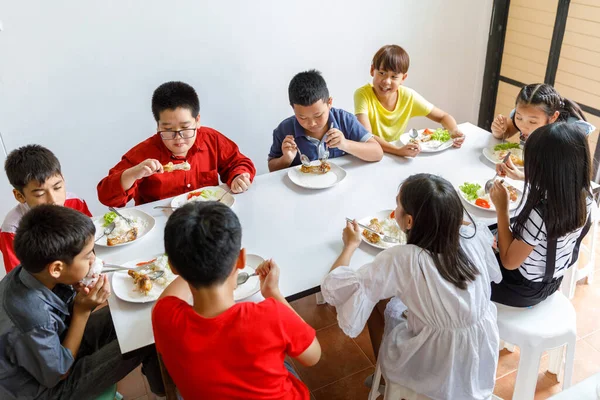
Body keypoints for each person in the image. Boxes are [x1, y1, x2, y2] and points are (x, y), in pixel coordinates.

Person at [322, 173, 501, 400]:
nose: (394, 208)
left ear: (409, 221)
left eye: (398, 204)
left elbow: (336, 287)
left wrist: (350, 245)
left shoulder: (405, 258)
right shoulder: (471, 236)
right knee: (392, 297)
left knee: (378, 302)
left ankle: (388, 380)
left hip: (433, 364)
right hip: (480, 357)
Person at [152, 201, 321, 399]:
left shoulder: (163, 316)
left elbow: (169, 296)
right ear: (241, 259)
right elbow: (313, 356)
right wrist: (273, 292)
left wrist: (189, 260)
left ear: (172, 267)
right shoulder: (272, 316)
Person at [0, 205, 164, 399]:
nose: (94, 259)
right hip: (48, 389)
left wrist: (77, 299)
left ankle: (160, 382)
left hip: (55, 348)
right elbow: (58, 373)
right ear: (56, 268)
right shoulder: (32, 318)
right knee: (145, 338)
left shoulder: (32, 273)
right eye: (88, 256)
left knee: (142, 317)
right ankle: (163, 391)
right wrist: (82, 311)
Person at [97, 81, 256, 206]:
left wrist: (238, 177)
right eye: (168, 129)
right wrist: (133, 173)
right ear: (158, 125)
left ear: (197, 121)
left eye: (186, 128)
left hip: (208, 215)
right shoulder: (144, 153)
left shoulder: (211, 139)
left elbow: (237, 162)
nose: (178, 137)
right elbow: (106, 196)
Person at [490, 123, 593, 307]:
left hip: (521, 289)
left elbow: (508, 262)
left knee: (467, 255)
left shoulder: (540, 214)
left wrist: (502, 208)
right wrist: (522, 176)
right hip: (552, 281)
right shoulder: (584, 195)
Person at [354, 45, 465, 158]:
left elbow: (443, 116)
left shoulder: (408, 96)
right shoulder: (363, 95)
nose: (387, 81)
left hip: (395, 154)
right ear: (372, 70)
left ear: (403, 78)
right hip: (372, 154)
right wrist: (398, 151)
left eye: (394, 77)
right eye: (382, 73)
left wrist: (454, 131)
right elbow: (367, 136)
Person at [268, 70, 383, 172]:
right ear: (293, 108)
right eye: (302, 117)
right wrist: (286, 159)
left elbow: (377, 153)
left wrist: (345, 144)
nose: (312, 123)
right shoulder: (284, 130)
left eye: (318, 115)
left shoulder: (344, 120)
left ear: (329, 103)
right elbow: (272, 168)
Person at [0, 145, 91, 273]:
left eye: (57, 187)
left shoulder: (75, 202)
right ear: (20, 196)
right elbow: (18, 279)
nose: (53, 200)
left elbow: (90, 243)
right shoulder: (12, 229)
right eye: (40, 194)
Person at [492, 83, 595, 180]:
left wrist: (524, 177)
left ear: (553, 117)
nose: (523, 127)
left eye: (532, 122)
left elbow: (568, 178)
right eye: (519, 118)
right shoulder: (526, 114)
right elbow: (506, 132)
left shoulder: (570, 130)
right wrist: (498, 130)